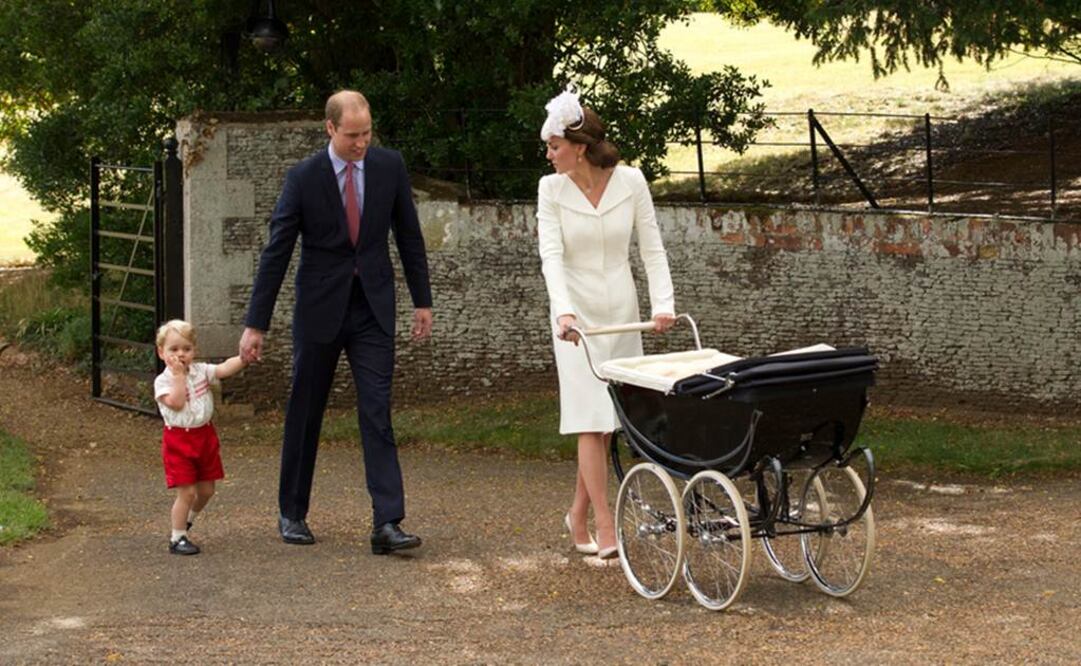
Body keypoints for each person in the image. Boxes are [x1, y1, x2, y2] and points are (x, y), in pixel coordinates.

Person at [239, 90, 433, 554]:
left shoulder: (389, 166)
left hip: (373, 309)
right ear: (330, 128)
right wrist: (256, 324)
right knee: (305, 410)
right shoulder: (303, 178)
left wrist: (422, 301)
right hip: (319, 311)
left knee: (377, 411)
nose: (361, 143)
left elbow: (409, 235)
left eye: (367, 133)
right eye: (352, 135)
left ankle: (387, 522)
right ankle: (292, 512)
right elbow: (277, 250)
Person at [536, 89, 676, 559]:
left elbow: (651, 248)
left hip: (622, 312)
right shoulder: (550, 190)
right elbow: (551, 257)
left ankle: (576, 513)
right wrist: (563, 311)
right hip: (576, 317)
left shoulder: (631, 181)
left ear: (579, 147)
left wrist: (662, 305)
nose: (549, 155)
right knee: (587, 417)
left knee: (607, 420)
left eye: (554, 146)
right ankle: (604, 521)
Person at [154, 319, 249, 555]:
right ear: (161, 352)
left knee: (206, 490)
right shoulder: (163, 381)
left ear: (194, 351)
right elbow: (176, 403)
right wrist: (178, 376)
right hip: (179, 440)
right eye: (174, 349)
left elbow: (223, 369)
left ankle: (187, 520)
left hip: (204, 436)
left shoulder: (201, 371)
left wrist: (243, 358)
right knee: (187, 492)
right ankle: (177, 537)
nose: (181, 354)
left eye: (186, 349)